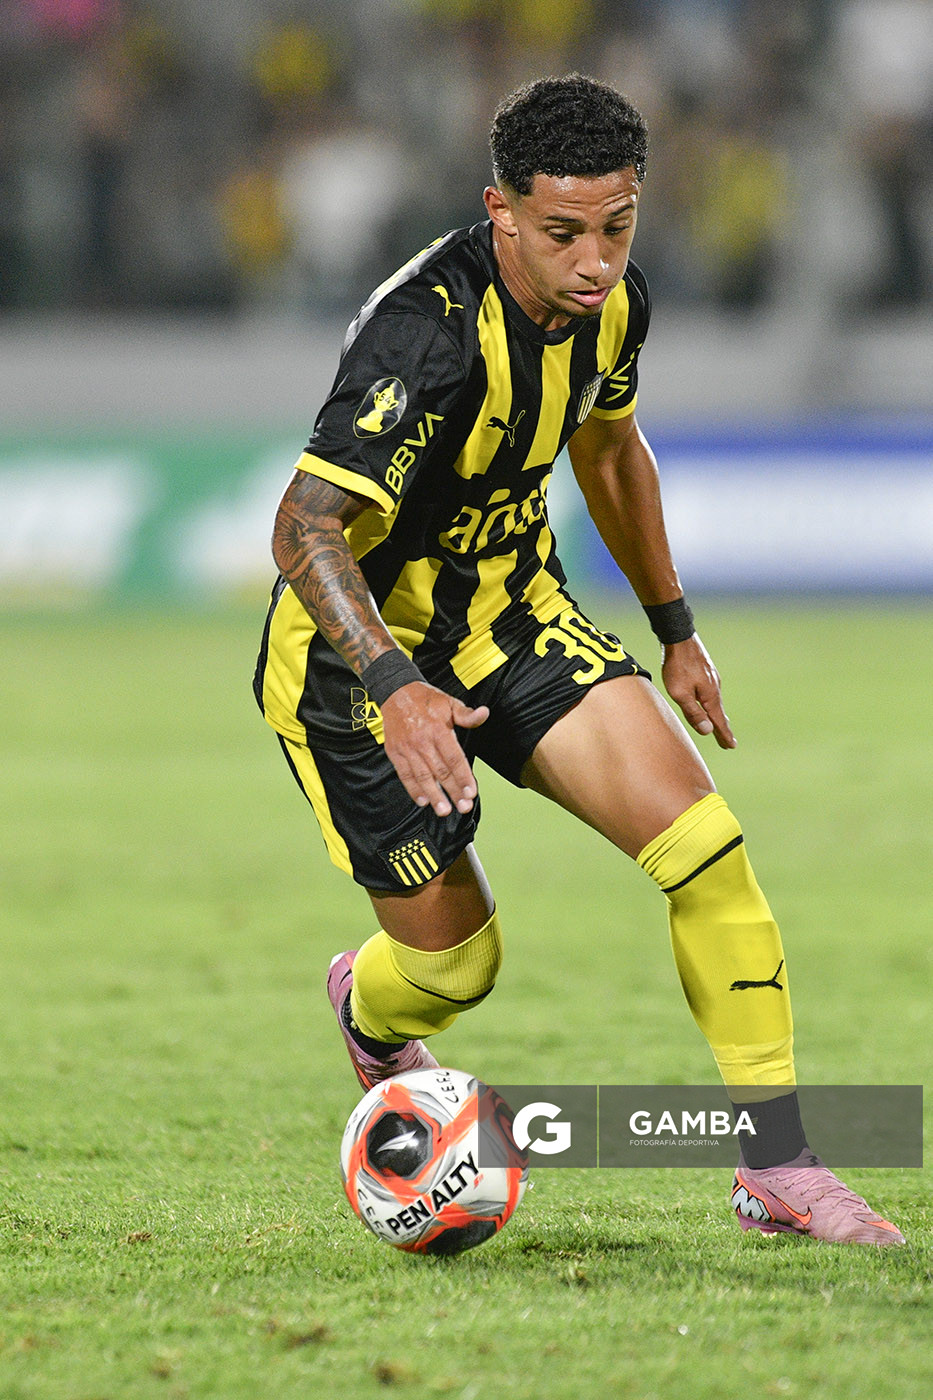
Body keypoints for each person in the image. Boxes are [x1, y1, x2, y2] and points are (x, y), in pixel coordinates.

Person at [254, 74, 903, 1247]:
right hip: (360, 664)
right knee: (456, 970)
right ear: (500, 211)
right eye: (563, 233)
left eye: (619, 226)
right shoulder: (429, 334)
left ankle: (778, 1165)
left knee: (705, 848)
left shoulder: (611, 306)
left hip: (514, 617)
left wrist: (674, 624)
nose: (596, 260)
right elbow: (302, 528)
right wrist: (396, 688)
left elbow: (610, 451)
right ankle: (369, 1001)